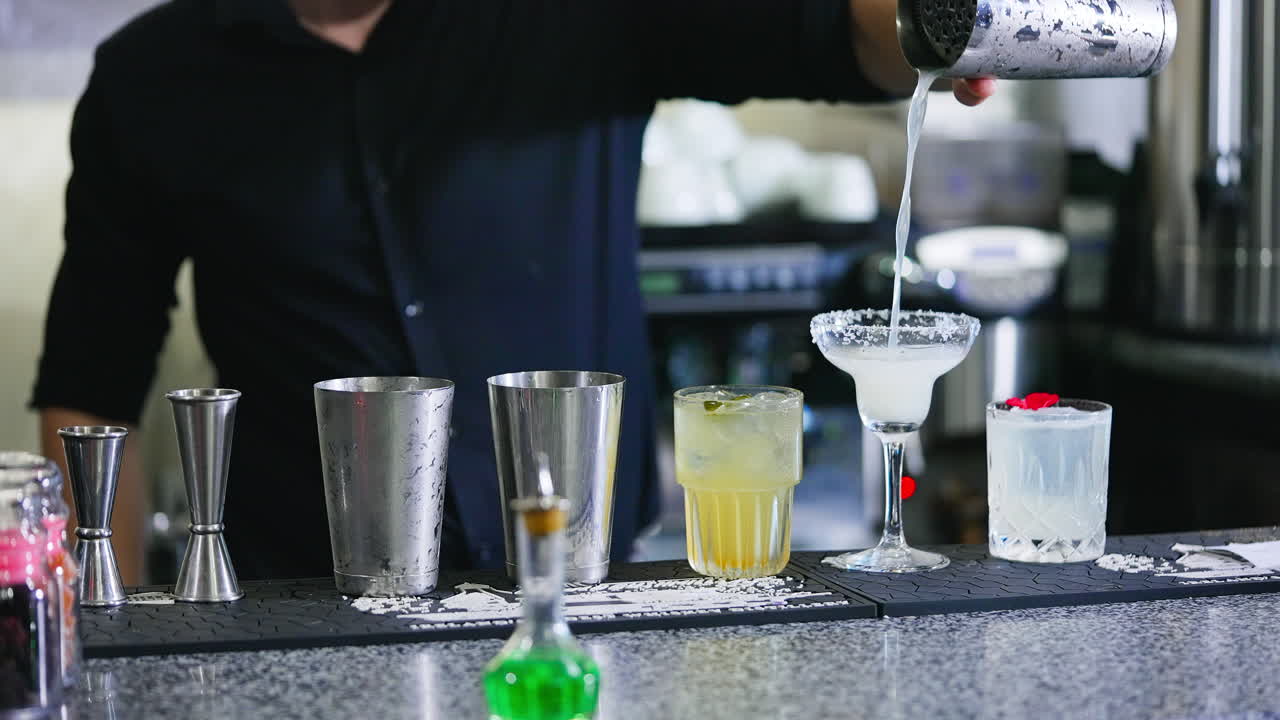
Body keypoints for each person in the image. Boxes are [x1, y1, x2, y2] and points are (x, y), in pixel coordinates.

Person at [32, 0, 994, 584]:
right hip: (304, 598)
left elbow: (833, 34)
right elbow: (93, 383)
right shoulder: (151, 78)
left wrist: (952, 25)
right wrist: (97, 647)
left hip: (586, 592)